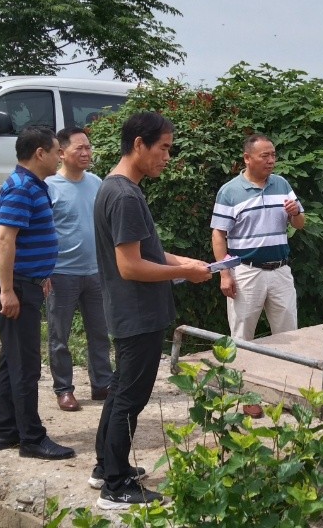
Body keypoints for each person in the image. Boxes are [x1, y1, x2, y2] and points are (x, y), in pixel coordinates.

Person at [92, 111, 212, 510]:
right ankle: (116, 485)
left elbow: (147, 253)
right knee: (130, 396)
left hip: (130, 310)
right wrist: (183, 272)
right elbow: (130, 265)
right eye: (163, 148)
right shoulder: (125, 195)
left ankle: (105, 466)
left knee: (121, 391)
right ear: (138, 144)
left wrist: (187, 264)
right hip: (138, 313)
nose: (167, 157)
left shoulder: (116, 188)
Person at [0, 126, 75, 460]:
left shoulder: (31, 186)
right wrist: (8, 290)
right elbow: (5, 239)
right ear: (40, 153)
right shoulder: (23, 187)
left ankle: (7, 431)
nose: (60, 156)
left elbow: (22, 240)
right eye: (56, 151)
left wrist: (42, 275)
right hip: (16, 287)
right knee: (25, 366)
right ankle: (31, 439)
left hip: (27, 283)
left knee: (12, 362)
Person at [210, 134, 305, 416]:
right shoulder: (230, 191)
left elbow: (300, 224)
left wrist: (296, 212)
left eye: (273, 155)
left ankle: (286, 394)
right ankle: (246, 396)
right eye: (265, 156)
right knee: (242, 337)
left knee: (288, 337)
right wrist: (225, 274)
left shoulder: (283, 185)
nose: (271, 160)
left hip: (280, 271)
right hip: (245, 273)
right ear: (247, 158)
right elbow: (218, 234)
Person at [45, 127, 113, 412]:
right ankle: (64, 389)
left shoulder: (97, 182)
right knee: (59, 336)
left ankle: (102, 384)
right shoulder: (49, 186)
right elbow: (40, 231)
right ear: (61, 153)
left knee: (100, 331)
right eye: (79, 148)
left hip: (96, 271)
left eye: (88, 147)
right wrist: (44, 270)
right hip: (60, 273)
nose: (86, 153)